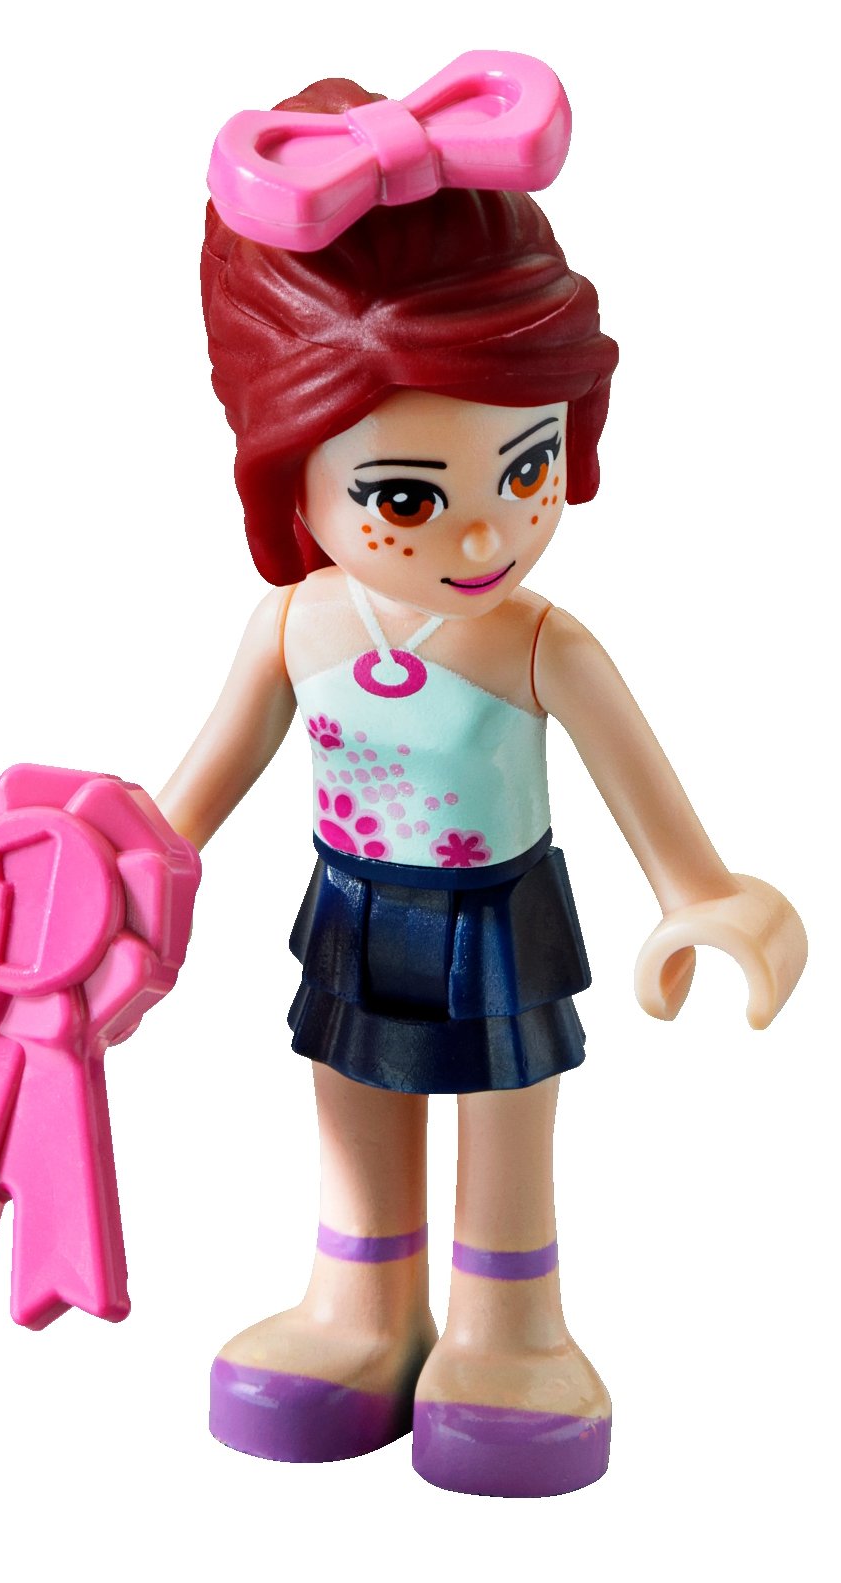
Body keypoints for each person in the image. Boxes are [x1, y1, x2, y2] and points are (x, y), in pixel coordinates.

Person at [157, 58, 806, 1497]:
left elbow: (653, 807)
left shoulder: (537, 645)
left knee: (508, 1116)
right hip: (351, 906)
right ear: (290, 478)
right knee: (352, 1100)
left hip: (498, 913)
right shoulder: (297, 629)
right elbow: (188, 799)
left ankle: (512, 1332)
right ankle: (360, 1311)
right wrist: (107, 869)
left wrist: (706, 895)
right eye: (406, 495)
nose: (485, 536)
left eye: (526, 469)